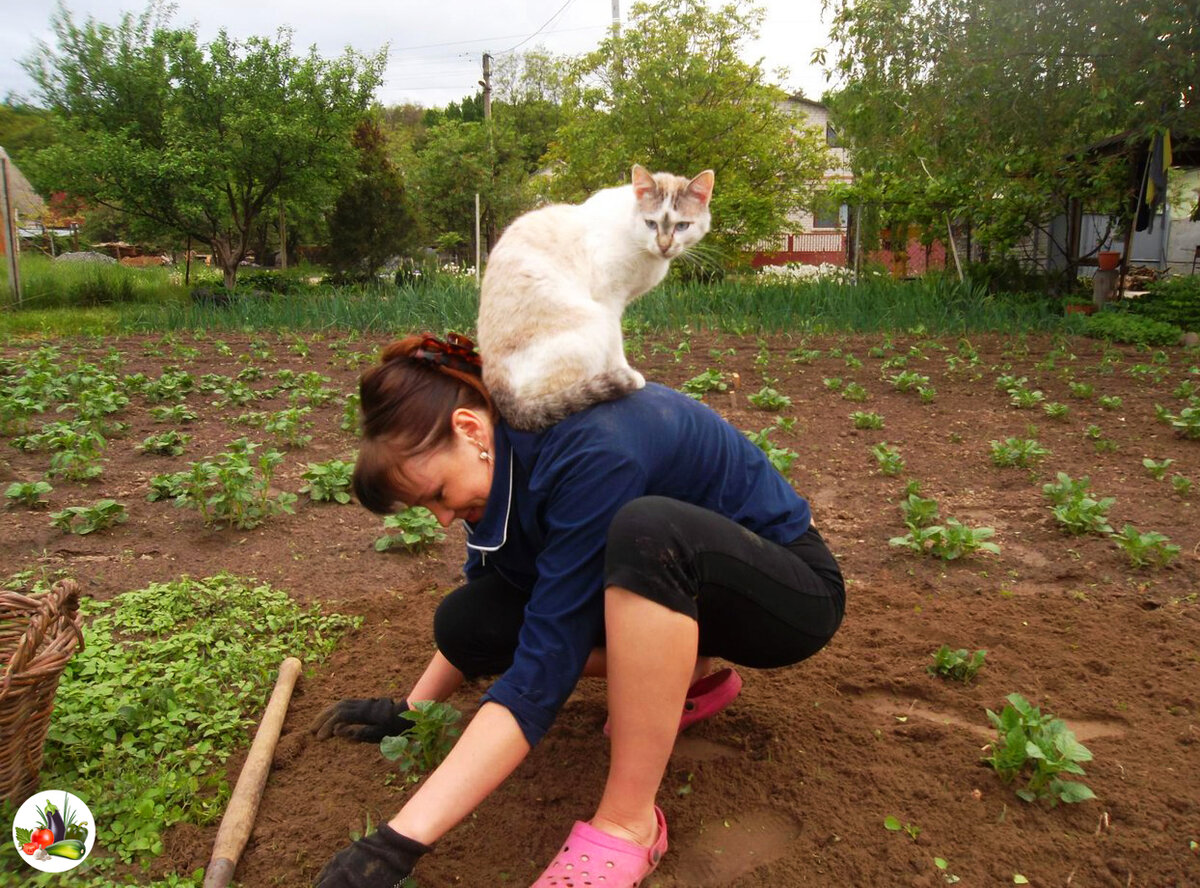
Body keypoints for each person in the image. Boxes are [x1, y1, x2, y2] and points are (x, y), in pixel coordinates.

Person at [311, 333, 845, 887]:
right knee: (467, 622)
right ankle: (677, 676)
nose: (443, 519)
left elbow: (543, 670)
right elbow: (516, 602)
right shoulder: (505, 456)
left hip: (786, 594)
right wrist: (413, 709)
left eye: (438, 494)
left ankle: (627, 824)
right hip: (677, 586)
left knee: (646, 531)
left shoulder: (589, 448)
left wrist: (397, 843)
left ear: (470, 430)